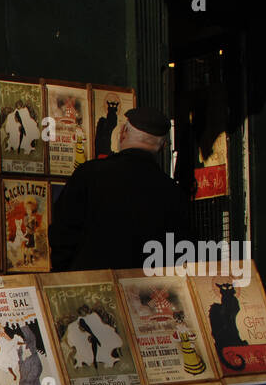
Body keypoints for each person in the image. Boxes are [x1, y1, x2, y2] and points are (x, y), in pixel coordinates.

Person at [49, 106, 190, 271]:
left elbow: (62, 233)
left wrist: (68, 273)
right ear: (163, 146)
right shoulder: (172, 191)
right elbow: (180, 250)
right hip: (147, 290)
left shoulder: (88, 174)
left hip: (91, 286)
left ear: (123, 132)